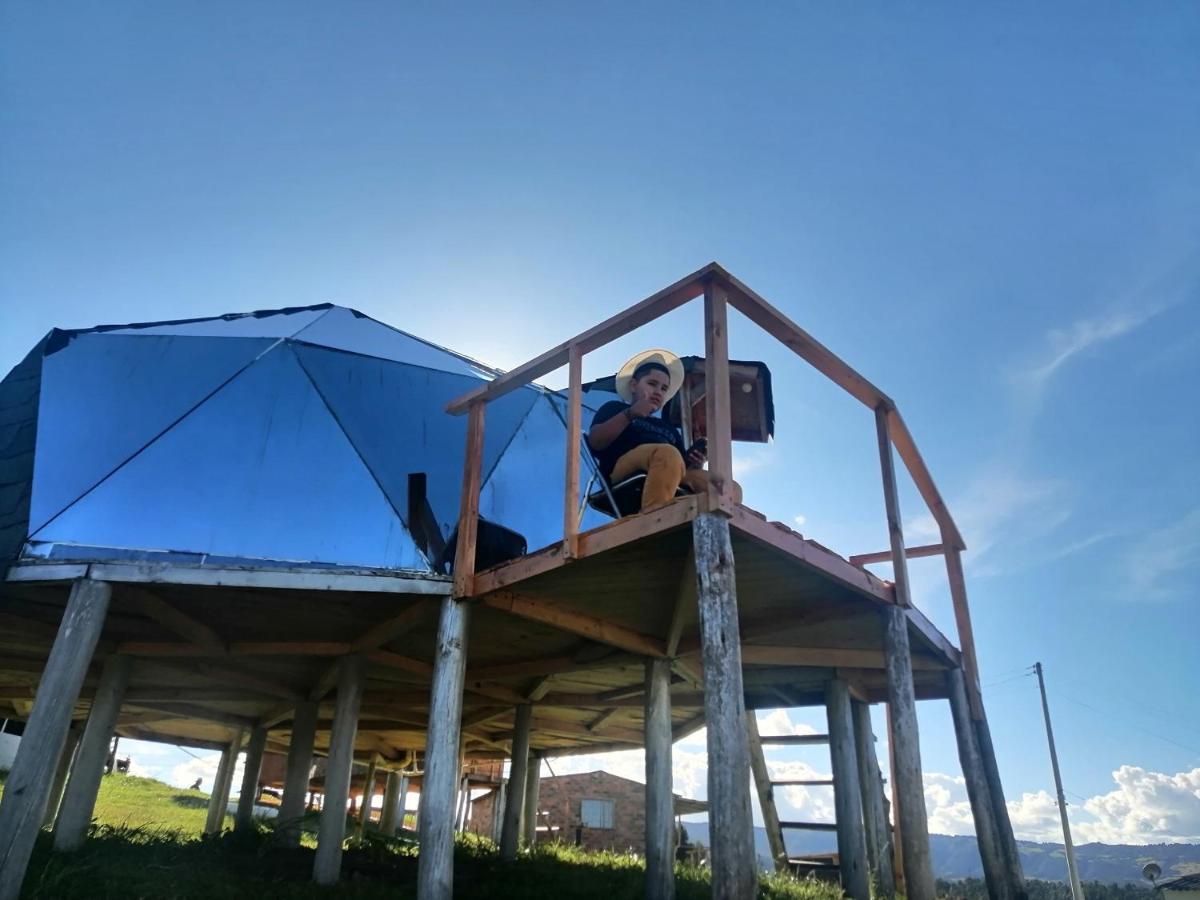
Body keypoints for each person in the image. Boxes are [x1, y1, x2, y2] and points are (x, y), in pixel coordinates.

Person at [588, 349, 743, 512]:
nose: (658, 392)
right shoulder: (615, 409)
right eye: (652, 384)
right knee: (667, 454)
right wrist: (630, 414)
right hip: (623, 470)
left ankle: (718, 525)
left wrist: (696, 463)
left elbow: (680, 465)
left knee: (729, 486)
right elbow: (596, 441)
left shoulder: (667, 428)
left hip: (669, 468)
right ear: (634, 385)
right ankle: (654, 520)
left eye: (663, 388)